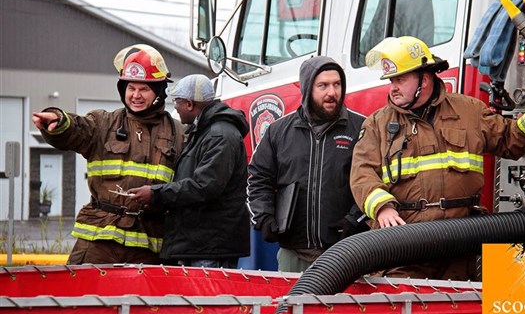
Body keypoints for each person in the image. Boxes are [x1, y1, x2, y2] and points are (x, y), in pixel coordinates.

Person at [350, 36, 525, 280]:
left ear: (424, 78)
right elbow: (362, 175)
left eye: (400, 79)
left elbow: (508, 138)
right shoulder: (377, 124)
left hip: (463, 244)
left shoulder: (468, 111)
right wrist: (382, 209)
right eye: (391, 80)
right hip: (406, 246)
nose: (393, 87)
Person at [32, 44, 184, 265]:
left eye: (144, 89)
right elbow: (77, 128)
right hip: (98, 240)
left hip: (150, 245)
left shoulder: (178, 133)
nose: (136, 95)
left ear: (159, 92)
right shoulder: (103, 123)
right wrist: (58, 120)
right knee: (80, 298)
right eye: (131, 88)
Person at [247, 56, 368, 272]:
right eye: (323, 85)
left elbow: (374, 179)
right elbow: (258, 179)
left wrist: (355, 218)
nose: (332, 92)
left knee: (339, 307)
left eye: (337, 84)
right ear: (307, 88)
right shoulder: (278, 132)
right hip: (293, 253)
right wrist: (264, 215)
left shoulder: (362, 128)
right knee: (291, 306)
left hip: (347, 251)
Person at [127, 74, 250, 268]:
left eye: (177, 101)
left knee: (206, 299)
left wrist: (155, 194)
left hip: (210, 248)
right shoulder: (203, 132)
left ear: (190, 104)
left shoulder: (219, 135)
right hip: (201, 245)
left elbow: (204, 186)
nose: (175, 107)